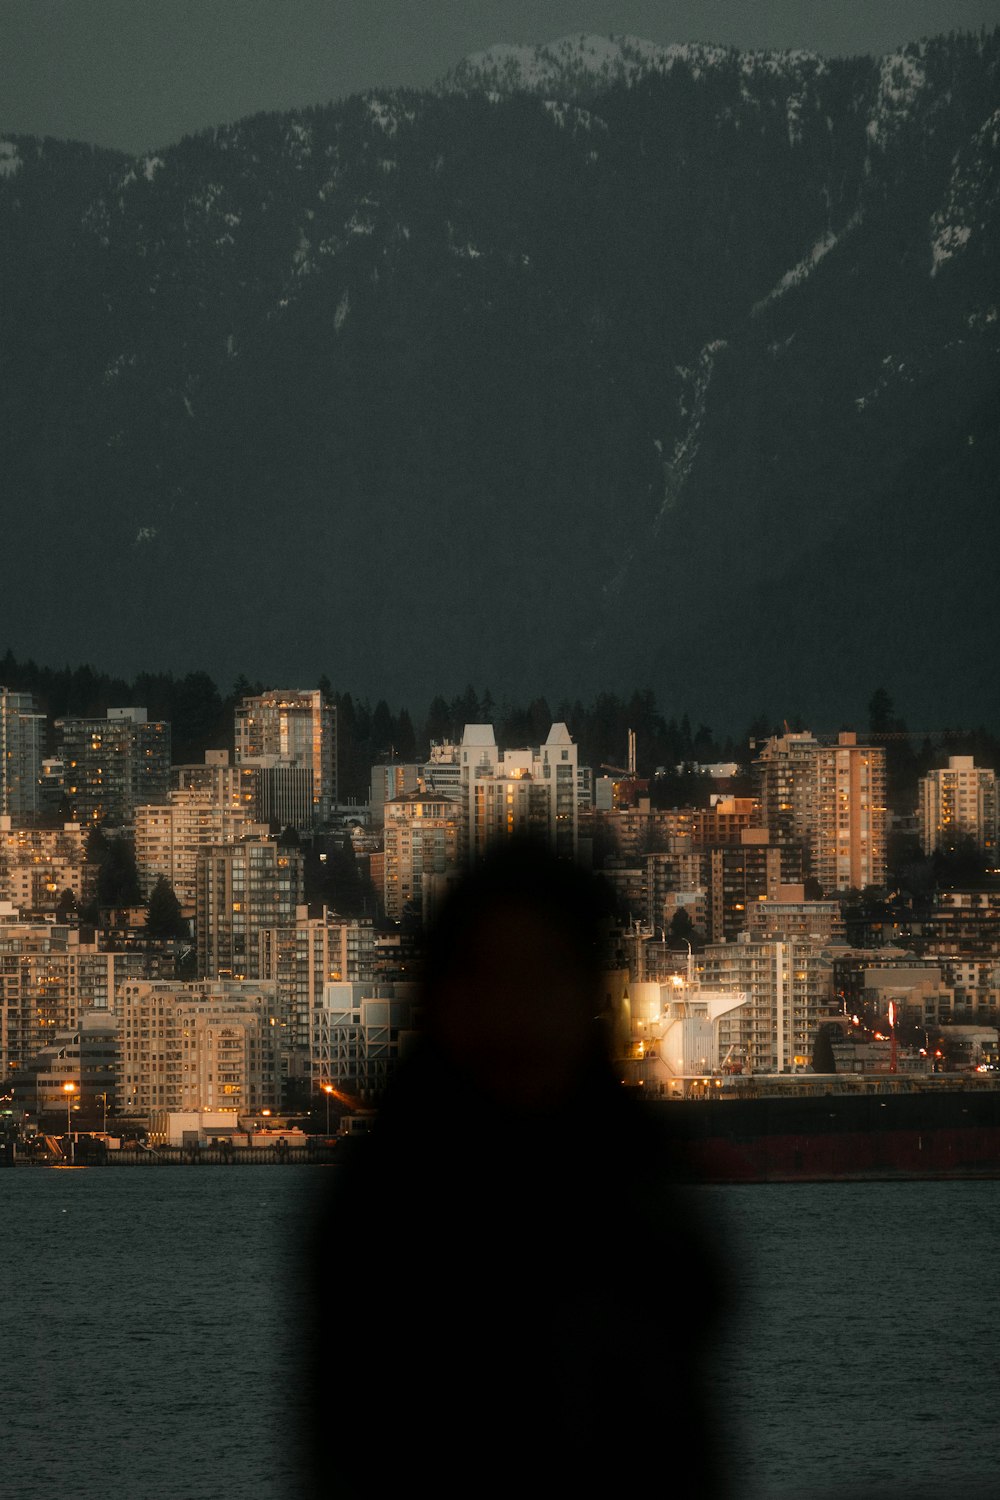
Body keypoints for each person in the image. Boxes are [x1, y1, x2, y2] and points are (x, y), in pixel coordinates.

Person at [301, 838, 726, 1497]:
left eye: (545, 979)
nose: (516, 1014)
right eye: (490, 978)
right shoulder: (378, 1222)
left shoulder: (647, 1204)